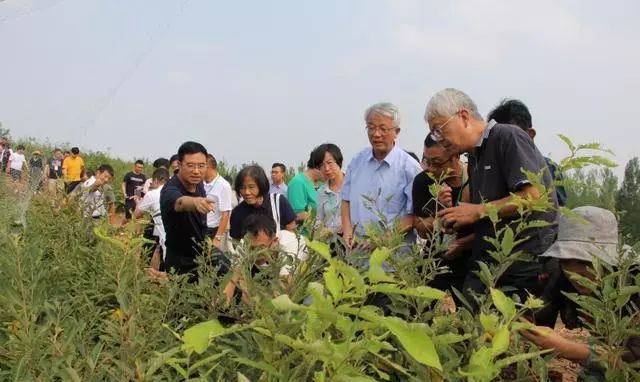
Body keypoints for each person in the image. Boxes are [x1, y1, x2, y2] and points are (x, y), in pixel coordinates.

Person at [425, 88, 558, 309]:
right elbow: (495, 214)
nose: (439, 139)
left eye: (439, 129)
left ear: (464, 116)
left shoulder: (507, 136)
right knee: (472, 323)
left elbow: (533, 196)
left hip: (522, 263)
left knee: (512, 335)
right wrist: (462, 222)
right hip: (491, 262)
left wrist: (475, 211)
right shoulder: (476, 156)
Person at [521, 206, 640, 381]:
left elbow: (634, 361)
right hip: (608, 353)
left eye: (588, 262)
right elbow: (538, 314)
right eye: (567, 261)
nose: (576, 274)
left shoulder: (634, 284)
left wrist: (567, 348)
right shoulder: (560, 276)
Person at [341, 102, 423, 248]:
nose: (376, 134)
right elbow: (346, 200)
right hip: (357, 254)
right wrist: (347, 231)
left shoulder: (409, 167)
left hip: (394, 258)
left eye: (383, 129)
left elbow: (414, 217)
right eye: (371, 128)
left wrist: (381, 241)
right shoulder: (357, 161)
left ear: (396, 132)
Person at [412, 134, 472, 295]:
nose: (431, 168)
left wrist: (463, 244)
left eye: (437, 163)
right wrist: (438, 208)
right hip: (435, 260)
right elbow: (421, 231)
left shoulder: (476, 178)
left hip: (471, 260)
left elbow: (489, 226)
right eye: (427, 161)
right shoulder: (423, 182)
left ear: (456, 156)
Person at [487, 99, 568, 206]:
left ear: (530, 135)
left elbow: (555, 208)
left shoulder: (549, 167)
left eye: (512, 138)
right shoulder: (489, 169)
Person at [160, 141, 223, 279]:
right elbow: (180, 202)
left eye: (201, 166)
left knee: (227, 271)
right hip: (181, 262)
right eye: (190, 165)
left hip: (202, 254)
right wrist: (195, 202)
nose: (196, 171)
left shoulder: (198, 183)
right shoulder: (170, 190)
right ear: (180, 164)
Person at [229, 165, 297, 240]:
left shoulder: (278, 202)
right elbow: (236, 240)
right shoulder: (238, 212)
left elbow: (291, 229)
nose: (247, 192)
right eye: (242, 188)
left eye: (251, 187)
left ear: (261, 185)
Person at [135, 167, 169, 270]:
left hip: (164, 234)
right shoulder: (175, 192)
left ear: (155, 180)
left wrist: (138, 203)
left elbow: (137, 214)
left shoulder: (152, 194)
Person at [287, 147, 326, 225]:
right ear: (318, 166)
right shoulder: (298, 183)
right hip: (305, 235)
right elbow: (296, 215)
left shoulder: (321, 184)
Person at [203, 154, 233, 250]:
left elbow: (225, 214)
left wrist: (218, 237)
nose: (197, 170)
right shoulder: (200, 183)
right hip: (200, 228)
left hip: (213, 230)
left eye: (201, 166)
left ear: (209, 167)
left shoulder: (223, 185)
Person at [315, 144, 345, 236]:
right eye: (322, 165)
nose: (327, 169)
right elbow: (319, 220)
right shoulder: (321, 191)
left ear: (338, 161)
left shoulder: (352, 186)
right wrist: (322, 230)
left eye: (329, 163)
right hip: (329, 244)